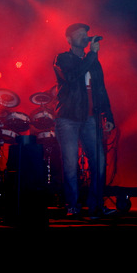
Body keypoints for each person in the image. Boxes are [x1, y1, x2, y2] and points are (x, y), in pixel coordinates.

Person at [53, 23, 116, 219]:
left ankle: (96, 206)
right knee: (71, 164)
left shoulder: (93, 61)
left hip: (90, 118)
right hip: (68, 118)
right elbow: (72, 77)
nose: (84, 35)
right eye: (79, 33)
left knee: (99, 162)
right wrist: (92, 55)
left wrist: (108, 116)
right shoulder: (62, 59)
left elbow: (101, 90)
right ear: (69, 39)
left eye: (85, 33)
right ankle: (72, 205)